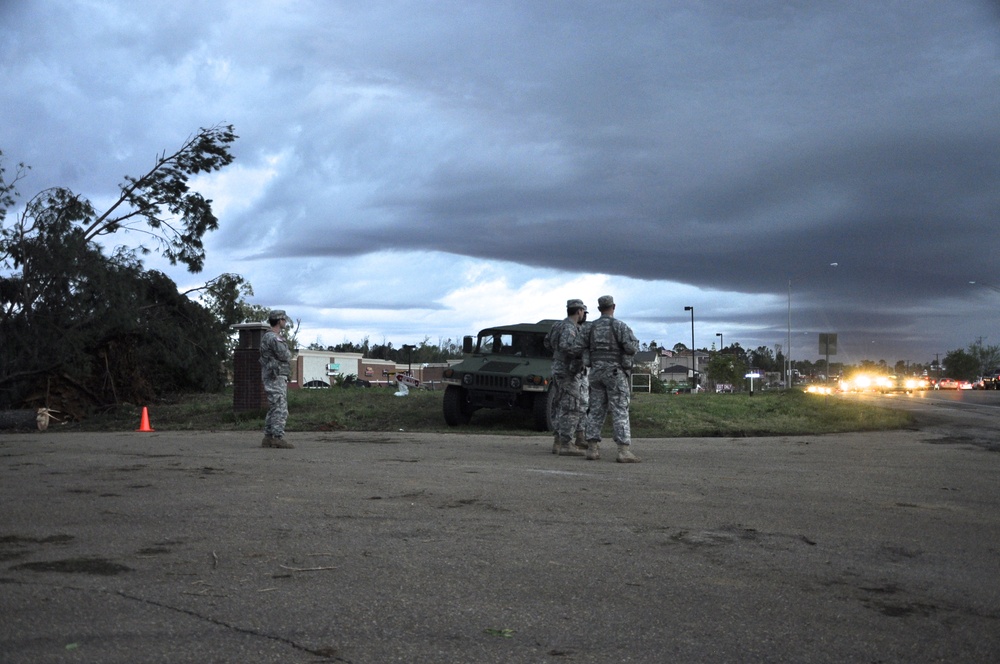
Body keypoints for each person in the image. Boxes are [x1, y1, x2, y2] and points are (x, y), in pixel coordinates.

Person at [577, 295, 641, 462]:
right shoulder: (619, 326)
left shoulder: (589, 327)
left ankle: (592, 448)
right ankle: (623, 450)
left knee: (596, 409)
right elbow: (632, 347)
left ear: (599, 309)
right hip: (615, 373)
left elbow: (578, 346)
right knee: (619, 409)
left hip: (595, 372)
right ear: (613, 306)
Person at [544, 299, 590, 456]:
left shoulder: (557, 325)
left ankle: (558, 441)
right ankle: (566, 443)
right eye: (583, 311)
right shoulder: (570, 327)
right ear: (579, 311)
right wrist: (580, 354)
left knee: (560, 404)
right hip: (567, 371)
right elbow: (566, 346)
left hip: (557, 368)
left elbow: (547, 343)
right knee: (571, 406)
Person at [260, 310, 293, 449]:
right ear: (279, 321)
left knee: (274, 406)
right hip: (275, 375)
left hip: (272, 374)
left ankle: (268, 437)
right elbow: (285, 355)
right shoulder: (273, 338)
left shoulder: (269, 336)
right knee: (280, 407)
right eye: (284, 320)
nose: (285, 322)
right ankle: (277, 437)